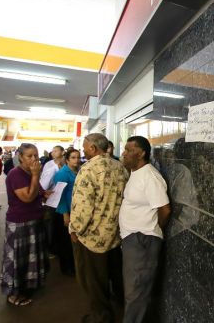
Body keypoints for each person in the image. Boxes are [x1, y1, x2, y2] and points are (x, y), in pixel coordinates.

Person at [70, 133, 128, 323]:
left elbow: (83, 206)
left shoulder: (88, 170)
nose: (83, 150)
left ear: (93, 148)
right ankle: (121, 306)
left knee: (94, 282)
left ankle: (102, 317)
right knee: (115, 274)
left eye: (85, 147)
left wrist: (75, 229)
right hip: (115, 234)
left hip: (93, 238)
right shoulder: (120, 167)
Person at [120, 136, 171, 323]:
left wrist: (150, 230)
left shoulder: (150, 176)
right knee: (133, 289)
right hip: (133, 237)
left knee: (136, 291)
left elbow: (164, 210)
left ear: (141, 153)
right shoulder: (135, 172)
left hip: (142, 239)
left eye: (128, 150)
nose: (124, 153)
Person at [0, 143, 51, 306]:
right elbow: (28, 197)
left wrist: (46, 194)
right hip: (19, 222)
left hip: (34, 219)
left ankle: (28, 285)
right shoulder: (16, 174)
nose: (34, 159)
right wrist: (36, 175)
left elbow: (38, 192)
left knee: (31, 256)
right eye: (29, 156)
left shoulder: (30, 172)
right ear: (20, 157)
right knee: (18, 259)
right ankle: (14, 293)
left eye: (36, 155)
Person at [53, 148, 80, 276]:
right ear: (67, 159)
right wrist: (65, 215)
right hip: (65, 211)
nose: (77, 160)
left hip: (74, 210)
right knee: (65, 242)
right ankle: (67, 268)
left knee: (72, 241)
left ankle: (73, 266)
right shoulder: (62, 173)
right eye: (73, 157)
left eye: (78, 157)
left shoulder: (77, 171)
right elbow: (59, 196)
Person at [40, 145, 64, 255]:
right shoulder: (49, 165)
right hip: (51, 200)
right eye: (52, 151)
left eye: (56, 151)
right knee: (50, 225)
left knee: (59, 225)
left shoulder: (66, 163)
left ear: (62, 152)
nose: (53, 153)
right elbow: (44, 183)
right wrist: (43, 195)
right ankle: (49, 249)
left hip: (63, 200)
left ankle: (57, 247)